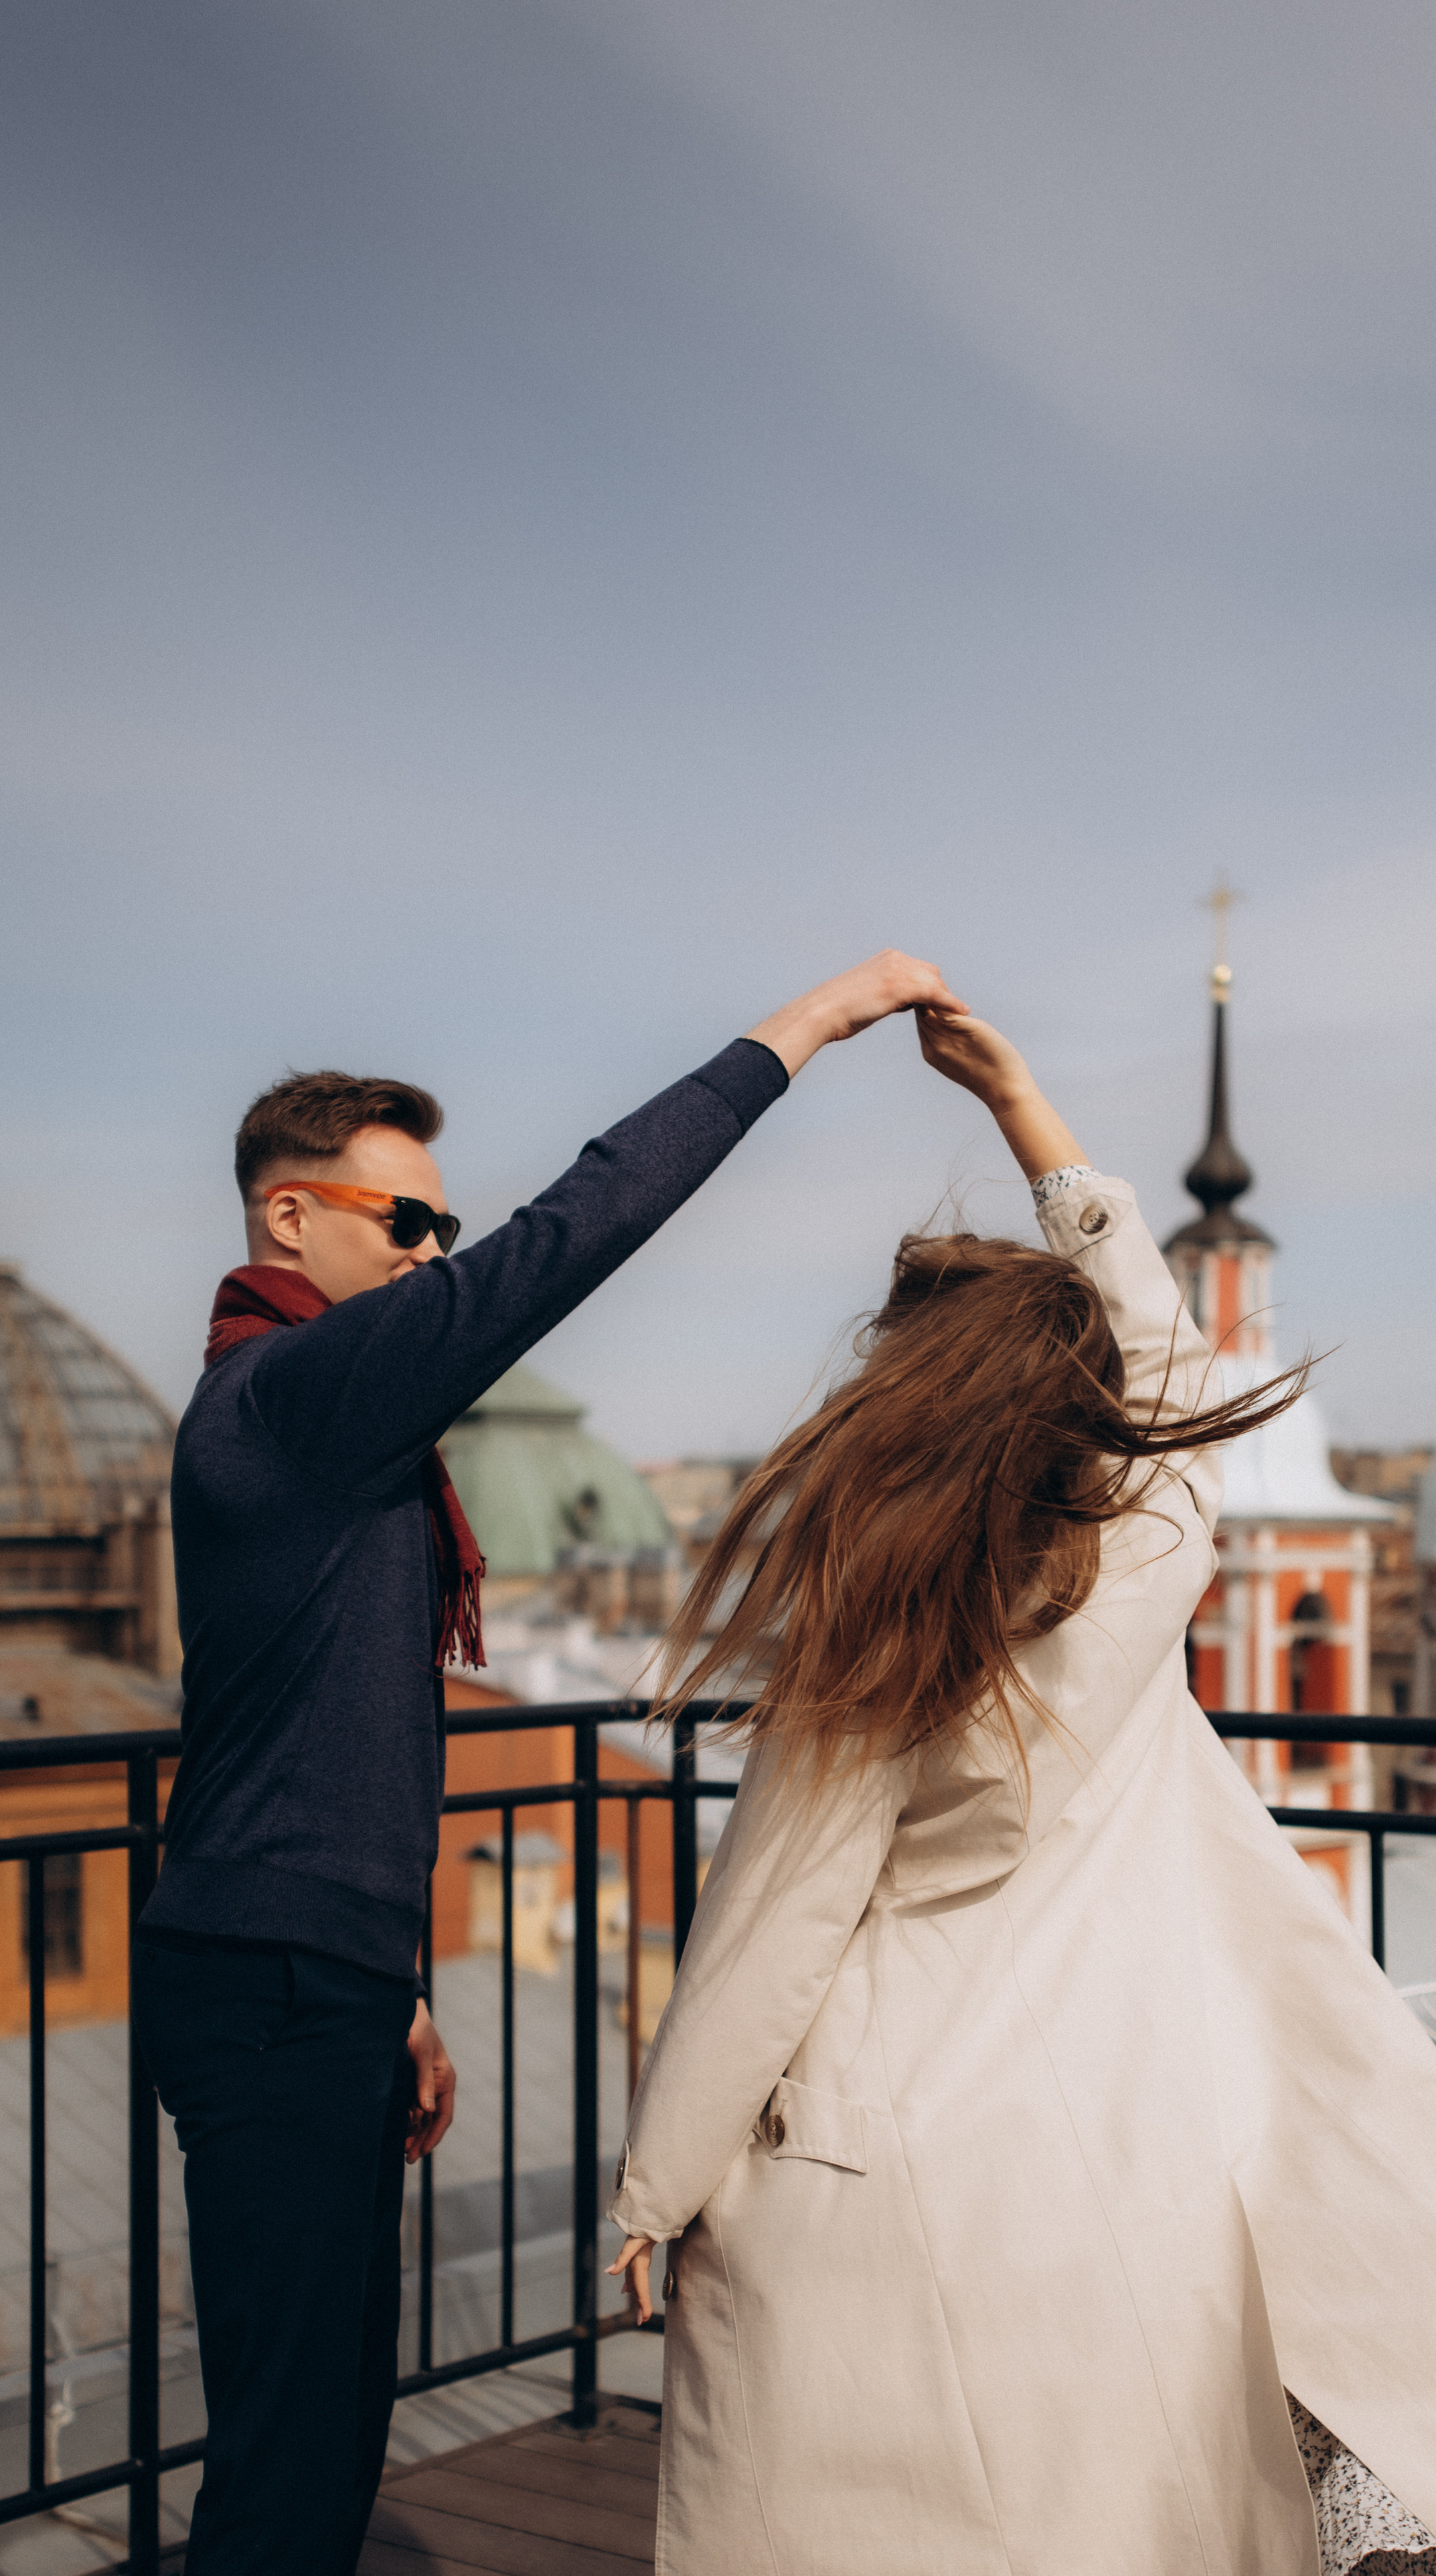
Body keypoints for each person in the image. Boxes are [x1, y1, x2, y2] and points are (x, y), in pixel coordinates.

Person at [607, 1008, 1436, 2576]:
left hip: (893, 2148)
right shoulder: (1141, 1562)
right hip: (1108, 2137)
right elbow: (1172, 1375)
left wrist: (654, 2183)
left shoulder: (885, 1633)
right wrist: (1036, 1121)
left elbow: (772, 1927)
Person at [130, 949, 965, 2576]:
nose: (439, 1252)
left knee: (316, 2426)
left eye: (441, 1224)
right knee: (288, 2468)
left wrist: (401, 1985)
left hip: (316, 1969)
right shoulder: (294, 1394)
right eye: (407, 1224)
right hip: (273, 1984)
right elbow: (571, 1232)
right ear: (289, 1217)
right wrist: (792, 1037)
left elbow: (300, 1724)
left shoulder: (302, 1415)